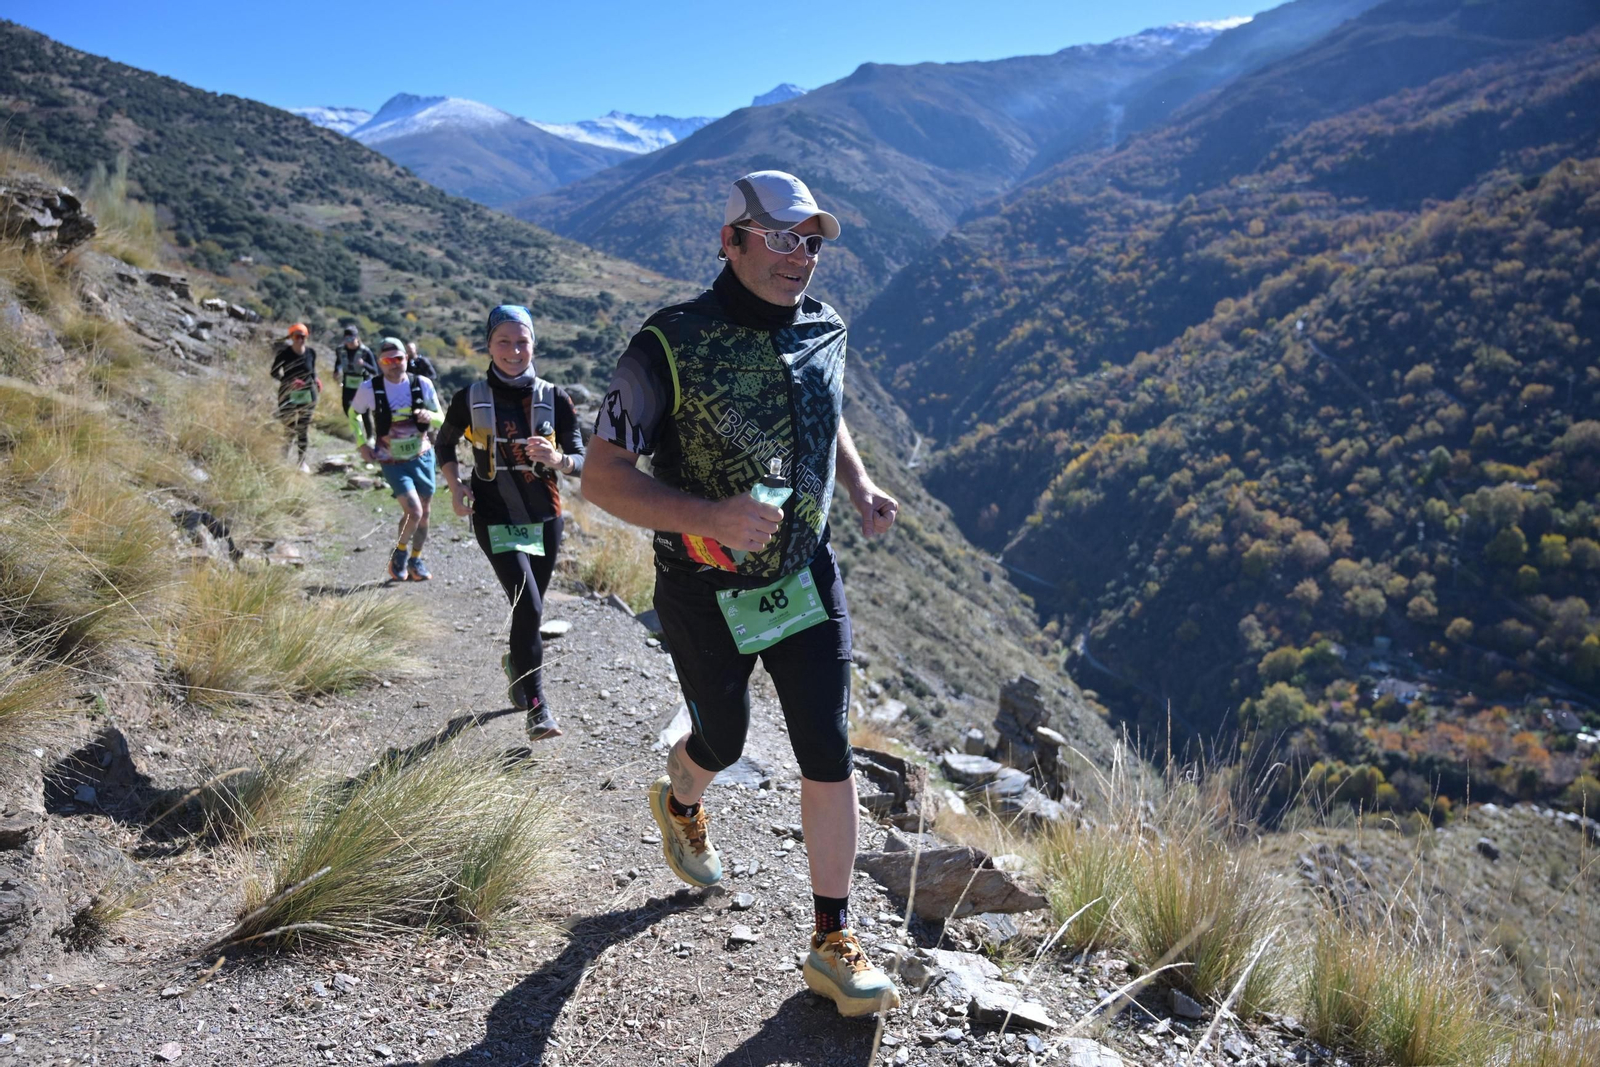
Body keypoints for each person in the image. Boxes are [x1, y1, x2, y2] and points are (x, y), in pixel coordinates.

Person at [584, 171, 902, 1018]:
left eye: (813, 241)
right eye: (780, 237)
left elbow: (821, 407)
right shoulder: (669, 343)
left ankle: (833, 939)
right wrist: (709, 515)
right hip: (701, 587)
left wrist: (861, 486)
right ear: (731, 241)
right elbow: (602, 478)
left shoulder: (825, 326)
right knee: (721, 737)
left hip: (805, 575)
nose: (800, 257)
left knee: (826, 747)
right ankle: (682, 796)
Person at [436, 306, 583, 742]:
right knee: (529, 607)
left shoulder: (555, 398)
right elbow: (444, 443)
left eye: (522, 342)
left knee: (529, 609)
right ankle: (538, 708)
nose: (514, 351)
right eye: (504, 341)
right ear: (488, 345)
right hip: (493, 516)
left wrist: (558, 460)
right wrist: (454, 486)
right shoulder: (470, 396)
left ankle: (518, 665)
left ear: (534, 344)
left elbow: (581, 455)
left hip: (545, 518)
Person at [348, 337, 444, 582]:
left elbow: (440, 418)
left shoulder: (421, 384)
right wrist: (361, 443)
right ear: (380, 363)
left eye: (398, 358)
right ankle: (400, 553)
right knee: (414, 510)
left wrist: (429, 415)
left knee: (424, 513)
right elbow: (354, 414)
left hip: (422, 456)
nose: (393, 364)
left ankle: (416, 559)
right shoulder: (370, 388)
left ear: (407, 359)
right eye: (387, 360)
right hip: (391, 459)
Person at [270, 322, 320, 474]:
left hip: (308, 395)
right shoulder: (284, 353)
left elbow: (312, 371)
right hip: (288, 394)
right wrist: (290, 382)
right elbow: (274, 372)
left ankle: (301, 462)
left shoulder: (311, 352)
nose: (300, 340)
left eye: (303, 336)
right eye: (297, 336)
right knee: (289, 428)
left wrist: (316, 379)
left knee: (303, 428)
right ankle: (283, 459)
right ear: (291, 337)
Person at [334, 325, 376, 417]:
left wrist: (364, 364)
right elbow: (338, 362)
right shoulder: (340, 350)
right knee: (347, 408)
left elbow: (374, 371)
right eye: (347, 339)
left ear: (357, 338)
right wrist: (336, 371)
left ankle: (369, 431)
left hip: (363, 383)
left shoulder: (366, 352)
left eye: (351, 339)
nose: (349, 342)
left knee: (365, 413)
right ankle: (356, 428)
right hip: (348, 383)